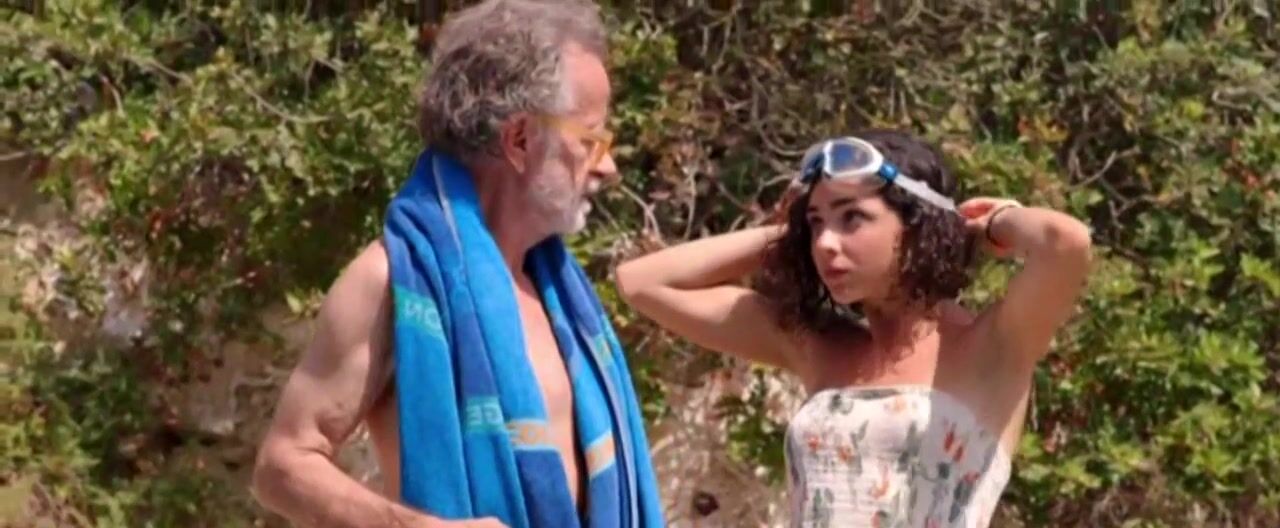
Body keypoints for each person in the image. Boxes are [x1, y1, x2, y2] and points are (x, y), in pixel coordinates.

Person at [252, 1, 663, 527]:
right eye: (591, 140)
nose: (609, 167)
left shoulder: (560, 295)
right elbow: (282, 465)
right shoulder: (392, 282)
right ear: (520, 140)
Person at [615, 129, 1092, 527]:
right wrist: (788, 234)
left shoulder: (993, 347)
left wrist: (991, 224)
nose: (826, 243)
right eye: (816, 223)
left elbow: (1066, 242)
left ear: (917, 224)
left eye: (852, 218)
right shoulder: (815, 344)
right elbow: (641, 282)